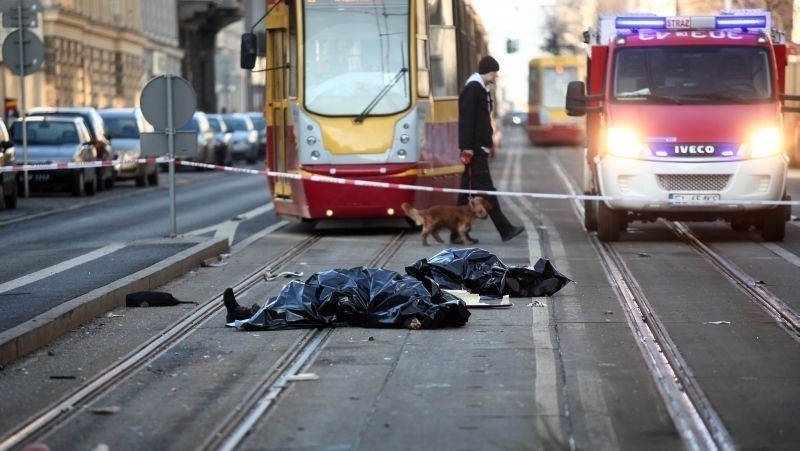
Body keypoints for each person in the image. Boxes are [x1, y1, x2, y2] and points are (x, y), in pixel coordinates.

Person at [452, 55, 524, 244]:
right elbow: (467, 120)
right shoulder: (473, 89)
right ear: (487, 71)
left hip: (477, 148)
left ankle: (455, 233)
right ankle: (505, 229)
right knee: (487, 191)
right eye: (494, 72)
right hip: (475, 150)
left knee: (465, 192)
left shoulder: (480, 89)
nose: (495, 76)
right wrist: (467, 147)